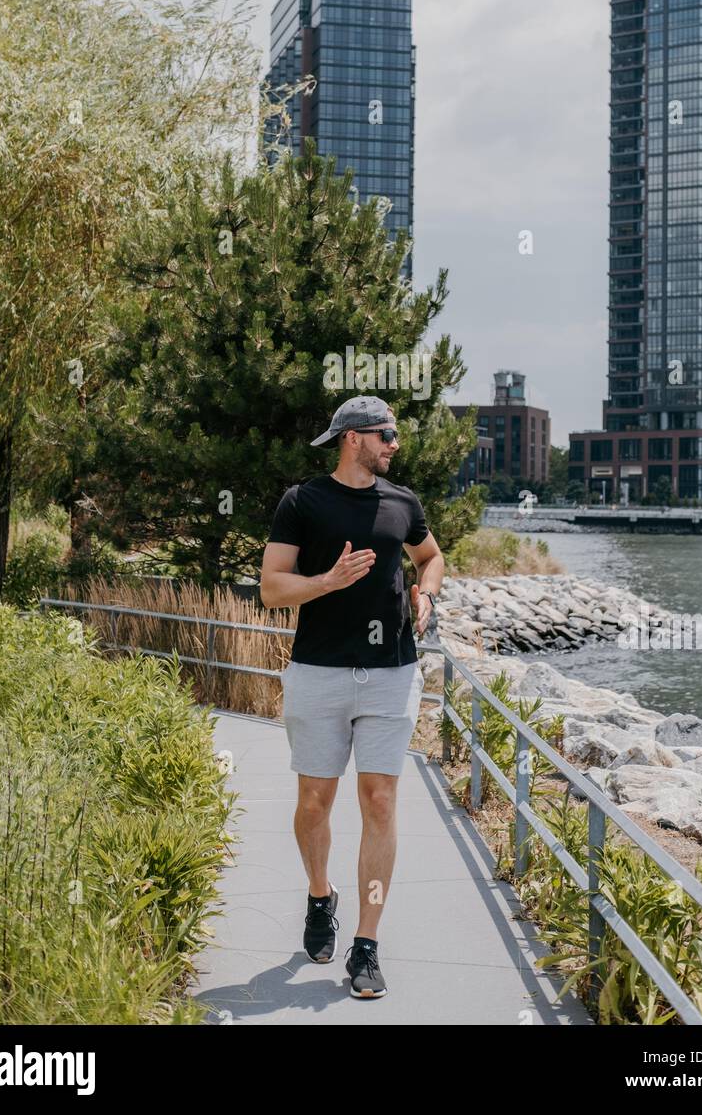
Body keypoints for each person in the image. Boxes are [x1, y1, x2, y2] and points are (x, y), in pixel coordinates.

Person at [260, 395, 444, 999]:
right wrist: (327, 582)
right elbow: (271, 589)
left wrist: (426, 595)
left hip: (392, 671)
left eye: (395, 434)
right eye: (385, 434)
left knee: (380, 802)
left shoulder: (403, 502)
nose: (394, 444)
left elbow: (432, 555)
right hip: (319, 671)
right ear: (352, 438)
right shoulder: (302, 501)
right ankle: (320, 896)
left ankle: (366, 943)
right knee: (314, 802)